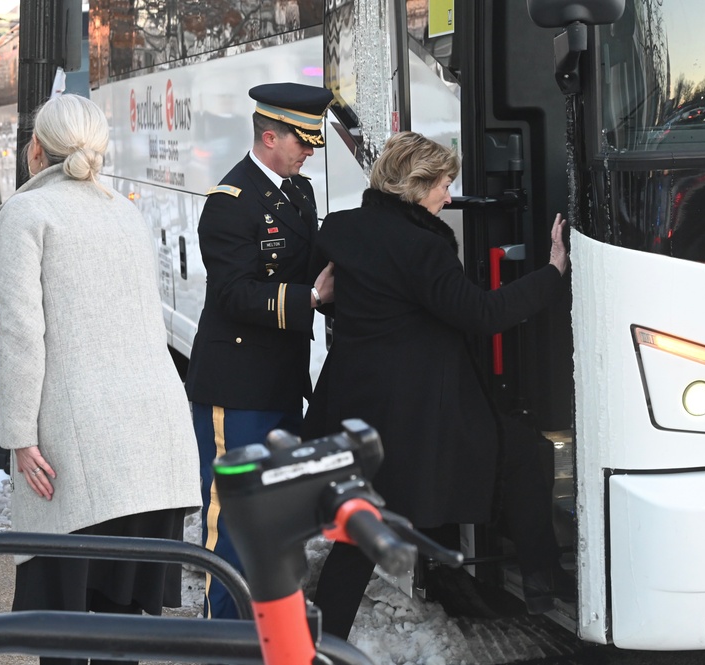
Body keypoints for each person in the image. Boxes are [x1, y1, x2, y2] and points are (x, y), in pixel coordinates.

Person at [304, 131, 572, 639]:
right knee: (520, 452)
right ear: (414, 185)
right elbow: (482, 314)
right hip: (417, 412)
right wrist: (553, 272)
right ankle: (543, 577)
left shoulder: (342, 229)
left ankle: (325, 637)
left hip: (358, 400)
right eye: (444, 185)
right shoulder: (421, 247)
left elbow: (337, 296)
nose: (448, 198)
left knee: (365, 523)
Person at [0, 94, 201, 665]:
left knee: (61, 630)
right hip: (153, 442)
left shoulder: (29, 212)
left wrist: (20, 436)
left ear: (34, 149)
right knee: (125, 627)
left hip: (81, 447)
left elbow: (26, 338)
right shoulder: (124, 210)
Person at [184, 82, 336, 619]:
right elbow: (232, 293)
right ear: (269, 136)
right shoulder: (231, 202)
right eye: (302, 141)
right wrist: (311, 297)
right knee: (232, 523)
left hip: (281, 381)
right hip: (238, 385)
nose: (310, 151)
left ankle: (268, 630)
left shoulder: (298, 192)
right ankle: (223, 637)